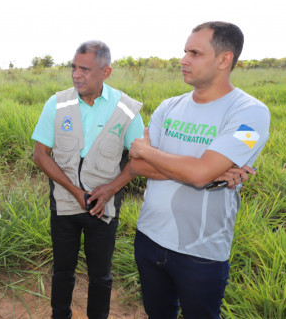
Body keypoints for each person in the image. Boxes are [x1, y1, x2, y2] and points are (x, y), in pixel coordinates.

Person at [89, 21, 270, 318]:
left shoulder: (250, 113)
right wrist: (206, 170)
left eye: (195, 53)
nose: (183, 60)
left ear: (224, 60)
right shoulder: (169, 106)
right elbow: (137, 165)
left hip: (201, 250)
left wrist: (152, 152)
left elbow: (190, 171)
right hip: (149, 237)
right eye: (185, 51)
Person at [31, 40, 145, 319]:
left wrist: (109, 190)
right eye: (73, 67)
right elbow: (40, 155)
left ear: (106, 72)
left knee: (101, 275)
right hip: (64, 205)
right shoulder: (57, 103)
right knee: (62, 271)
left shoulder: (126, 108)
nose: (76, 74)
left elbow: (139, 160)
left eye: (85, 69)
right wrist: (73, 190)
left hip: (102, 208)